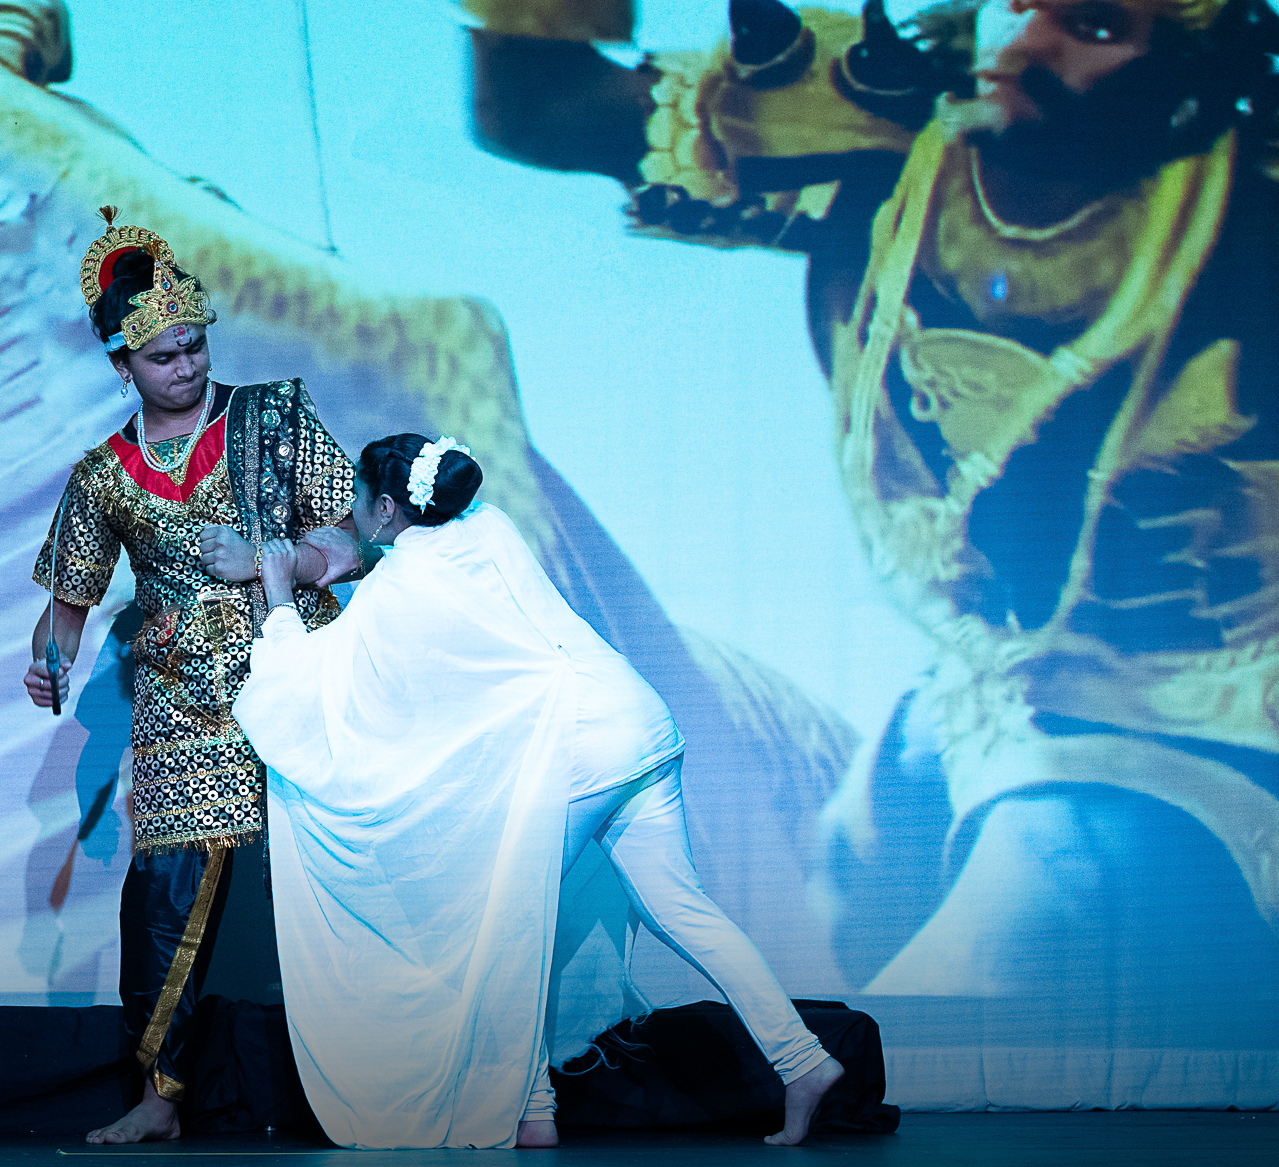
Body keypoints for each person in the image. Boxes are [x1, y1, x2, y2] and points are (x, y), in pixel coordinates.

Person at [464, 0, 1279, 1003]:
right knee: (821, 928)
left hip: (1217, 738)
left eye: (1091, 26)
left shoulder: (1273, 230)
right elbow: (535, 102)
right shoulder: (887, 152)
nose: (1023, 41)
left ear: (1180, 73)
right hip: (957, 707)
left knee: (935, 1029)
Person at [233, 434, 843, 1149]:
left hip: (576, 749)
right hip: (637, 722)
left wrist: (281, 595)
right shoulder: (488, 524)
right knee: (679, 909)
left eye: (359, 502)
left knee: (498, 920)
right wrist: (362, 554)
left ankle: (531, 1107)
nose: (352, 514)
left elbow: (312, 680)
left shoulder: (399, 589)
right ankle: (803, 1061)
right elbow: (423, 559)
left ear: (389, 507)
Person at [24, 210, 365, 1143]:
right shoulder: (102, 475)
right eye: (164, 356)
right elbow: (67, 603)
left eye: (196, 346)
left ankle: (369, 1080)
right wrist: (50, 659)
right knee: (166, 899)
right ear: (122, 364)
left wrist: (271, 560)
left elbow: (355, 540)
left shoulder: (272, 417)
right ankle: (160, 1099)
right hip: (181, 706)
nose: (187, 366)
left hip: (294, 674)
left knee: (328, 876)